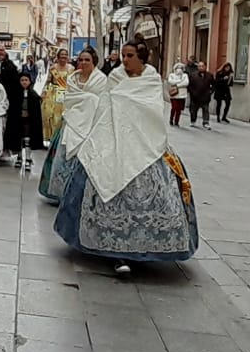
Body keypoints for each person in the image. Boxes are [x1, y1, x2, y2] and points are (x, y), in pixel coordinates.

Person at [55, 42, 198, 275]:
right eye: (123, 55)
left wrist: (125, 105)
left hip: (145, 143)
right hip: (112, 139)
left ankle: (146, 246)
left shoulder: (151, 79)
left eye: (129, 55)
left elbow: (151, 110)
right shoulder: (115, 77)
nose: (124, 59)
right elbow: (105, 105)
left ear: (141, 58)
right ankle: (111, 248)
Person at [40, 48, 110, 204]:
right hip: (71, 121)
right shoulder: (73, 79)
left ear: (94, 62)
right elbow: (70, 98)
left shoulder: (101, 79)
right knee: (63, 156)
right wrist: (87, 98)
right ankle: (61, 192)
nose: (83, 63)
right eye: (81, 60)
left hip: (92, 123)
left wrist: (87, 99)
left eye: (87, 60)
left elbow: (101, 101)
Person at [5, 73, 44, 169]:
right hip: (18, 120)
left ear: (30, 81)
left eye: (26, 80)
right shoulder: (15, 94)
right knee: (19, 139)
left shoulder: (33, 95)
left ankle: (28, 159)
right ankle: (19, 158)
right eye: (22, 80)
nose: (24, 82)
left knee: (28, 139)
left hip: (29, 121)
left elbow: (36, 111)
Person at [40, 49, 73, 144]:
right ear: (58, 57)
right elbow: (48, 81)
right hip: (53, 93)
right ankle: (50, 138)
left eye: (65, 56)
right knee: (49, 115)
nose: (64, 58)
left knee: (60, 117)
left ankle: (60, 138)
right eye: (62, 56)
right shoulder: (53, 68)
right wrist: (44, 92)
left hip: (65, 93)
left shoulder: (71, 69)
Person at [187, 62, 213, 129]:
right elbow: (189, 85)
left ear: (205, 67)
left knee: (205, 109)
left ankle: (206, 122)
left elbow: (214, 84)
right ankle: (193, 120)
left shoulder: (209, 75)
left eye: (202, 66)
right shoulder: (193, 75)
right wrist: (192, 92)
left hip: (205, 96)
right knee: (193, 110)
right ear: (198, 67)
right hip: (195, 96)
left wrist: (210, 92)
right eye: (199, 66)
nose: (201, 67)